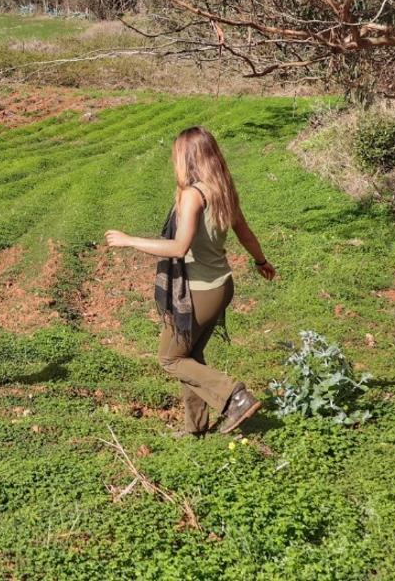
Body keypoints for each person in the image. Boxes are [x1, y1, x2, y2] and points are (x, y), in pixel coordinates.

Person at [104, 126, 276, 436]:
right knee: (190, 355)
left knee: (169, 358)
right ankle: (196, 427)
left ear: (187, 158)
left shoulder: (192, 195)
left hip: (197, 292)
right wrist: (261, 261)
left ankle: (234, 396)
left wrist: (130, 240)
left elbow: (178, 247)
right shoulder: (221, 189)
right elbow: (246, 233)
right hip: (221, 287)